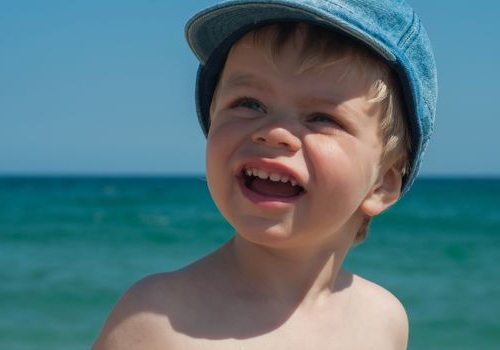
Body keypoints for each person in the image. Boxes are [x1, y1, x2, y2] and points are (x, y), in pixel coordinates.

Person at [93, 0, 437, 349]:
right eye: (249, 103)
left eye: (322, 117)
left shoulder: (383, 319)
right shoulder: (156, 320)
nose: (273, 132)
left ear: (384, 182)